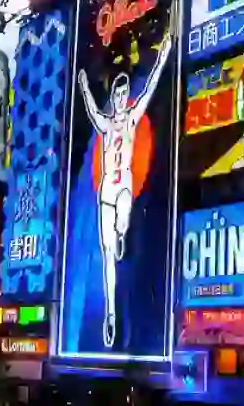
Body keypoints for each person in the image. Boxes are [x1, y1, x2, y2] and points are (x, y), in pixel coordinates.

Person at [76, 22, 173, 348]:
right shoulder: (105, 123)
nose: (119, 98)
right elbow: (91, 111)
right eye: (115, 93)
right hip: (105, 190)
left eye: (121, 93)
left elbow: (149, 90)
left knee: (122, 216)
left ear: (124, 95)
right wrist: (85, 89)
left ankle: (121, 233)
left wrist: (163, 58)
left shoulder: (131, 118)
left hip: (124, 187)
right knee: (106, 256)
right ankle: (111, 315)